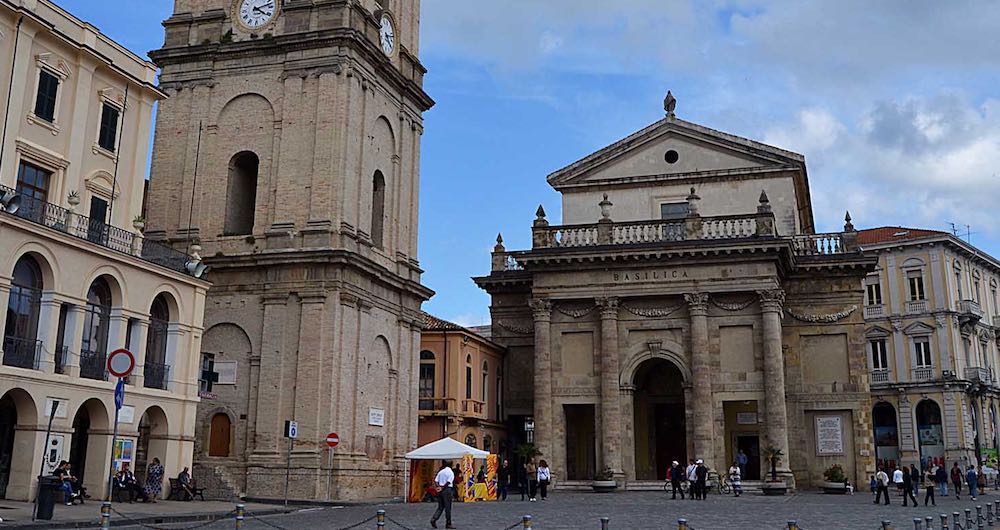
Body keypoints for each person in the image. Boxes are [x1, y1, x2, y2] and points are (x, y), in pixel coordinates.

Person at [430, 461, 455, 529]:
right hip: (447, 490)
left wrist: (438, 487)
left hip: (440, 491)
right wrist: (442, 488)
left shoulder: (441, 472)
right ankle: (448, 523)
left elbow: (436, 480)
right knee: (448, 507)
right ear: (451, 465)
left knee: (440, 507)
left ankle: (434, 519)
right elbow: (448, 482)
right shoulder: (450, 472)